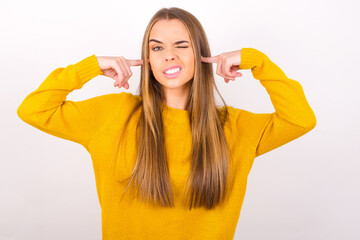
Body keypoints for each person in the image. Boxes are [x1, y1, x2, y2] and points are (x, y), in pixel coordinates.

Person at [17, 7, 316, 240]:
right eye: (157, 47)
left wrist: (258, 61)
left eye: (181, 45)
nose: (169, 55)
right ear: (147, 57)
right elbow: (33, 110)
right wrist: (91, 67)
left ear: (201, 55)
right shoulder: (112, 114)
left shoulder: (234, 126)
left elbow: (300, 119)